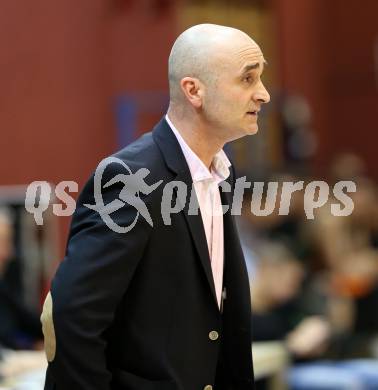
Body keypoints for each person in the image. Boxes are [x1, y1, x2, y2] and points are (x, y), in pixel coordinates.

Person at [41, 23, 270, 390]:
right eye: (248, 79)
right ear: (193, 90)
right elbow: (72, 315)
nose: (264, 95)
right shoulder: (130, 178)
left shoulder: (216, 174)